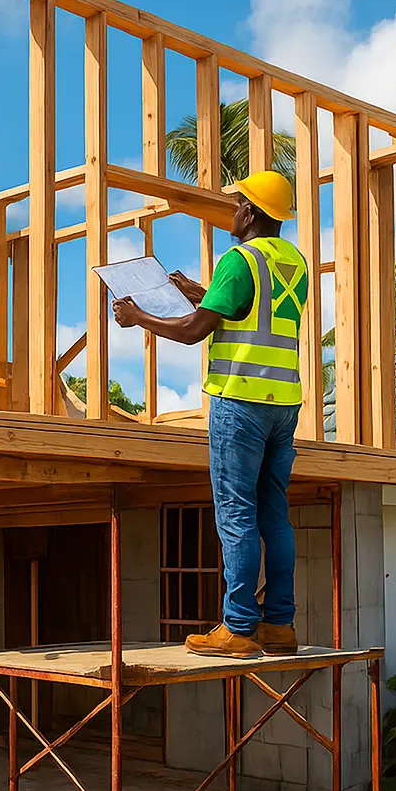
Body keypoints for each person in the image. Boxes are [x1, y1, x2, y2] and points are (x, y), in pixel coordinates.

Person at [112, 170, 309, 658]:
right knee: (273, 513)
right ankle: (279, 625)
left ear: (251, 212)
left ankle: (238, 629)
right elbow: (250, 312)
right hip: (283, 403)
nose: (232, 212)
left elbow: (191, 332)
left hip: (238, 401)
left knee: (236, 514)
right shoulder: (294, 262)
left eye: (237, 204)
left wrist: (137, 317)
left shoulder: (239, 259)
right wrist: (203, 291)